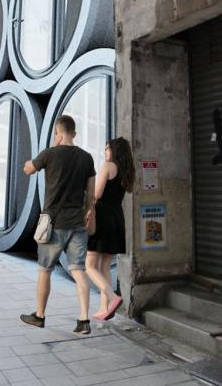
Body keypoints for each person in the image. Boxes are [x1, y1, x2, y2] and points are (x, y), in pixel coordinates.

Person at [20, 115, 96, 335]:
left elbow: (28, 169)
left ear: (59, 133)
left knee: (45, 270)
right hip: (77, 224)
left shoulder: (50, 154)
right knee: (79, 270)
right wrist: (87, 211)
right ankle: (84, 321)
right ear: (74, 133)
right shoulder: (86, 158)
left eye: (56, 134)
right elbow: (91, 194)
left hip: (53, 224)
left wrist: (40, 157)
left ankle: (39, 316)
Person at [85, 137, 135, 320]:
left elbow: (97, 194)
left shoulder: (107, 166)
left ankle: (113, 298)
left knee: (89, 266)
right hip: (117, 219)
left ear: (114, 150)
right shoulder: (126, 171)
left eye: (107, 148)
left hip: (103, 218)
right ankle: (104, 309)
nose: (105, 151)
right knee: (104, 266)